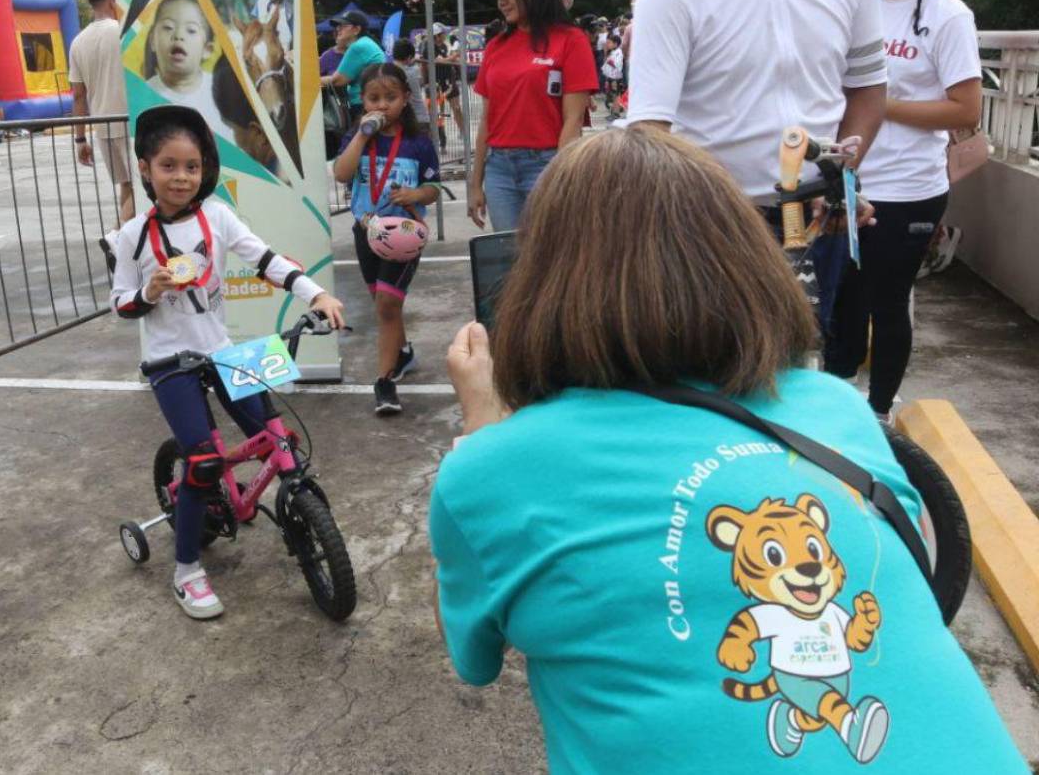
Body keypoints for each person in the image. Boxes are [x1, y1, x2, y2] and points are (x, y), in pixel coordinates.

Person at [430, 126, 1026, 774]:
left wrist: (485, 427)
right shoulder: (836, 409)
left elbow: (475, 660)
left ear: (538, 288)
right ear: (743, 263)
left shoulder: (488, 473)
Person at [111, 105, 345, 619]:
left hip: (223, 351)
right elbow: (121, 304)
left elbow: (265, 260)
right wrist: (147, 292)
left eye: (191, 166)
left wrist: (315, 295)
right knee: (203, 462)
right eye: (168, 165)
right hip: (169, 362)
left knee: (280, 437)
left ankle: (293, 507)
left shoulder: (216, 214)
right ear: (146, 167)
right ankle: (187, 570)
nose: (181, 177)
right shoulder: (132, 236)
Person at [625, 0, 887, 210]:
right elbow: (650, 131)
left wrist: (838, 179)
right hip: (718, 220)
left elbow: (868, 87)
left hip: (820, 211)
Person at [824, 0, 982, 424]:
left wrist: (881, 105)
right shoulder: (852, 3)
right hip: (847, 183)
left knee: (885, 302)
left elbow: (965, 108)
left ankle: (881, 410)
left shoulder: (946, 15)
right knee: (840, 299)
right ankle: (839, 401)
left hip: (910, 188)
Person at [332, 63, 440, 416]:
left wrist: (415, 195)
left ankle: (384, 381)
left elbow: (433, 188)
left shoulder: (418, 143)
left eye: (390, 98)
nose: (382, 105)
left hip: (404, 235)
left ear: (406, 99)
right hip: (366, 233)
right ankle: (403, 352)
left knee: (386, 307)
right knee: (384, 303)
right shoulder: (358, 139)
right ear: (362, 101)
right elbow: (341, 173)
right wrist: (363, 135)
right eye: (373, 98)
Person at [468, 0, 596, 232]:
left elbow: (573, 120)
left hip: (547, 164)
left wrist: (561, 177)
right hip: (498, 168)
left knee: (549, 258)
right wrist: (475, 183)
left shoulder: (571, 40)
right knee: (510, 262)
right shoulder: (495, 46)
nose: (502, 1)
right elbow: (486, 120)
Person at [69, 0, 136, 228]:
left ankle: (126, 252)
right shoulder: (121, 30)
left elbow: (78, 95)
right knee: (142, 188)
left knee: (127, 187)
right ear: (112, 1)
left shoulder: (77, 42)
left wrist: (80, 139)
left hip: (103, 125)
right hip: (129, 122)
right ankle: (118, 238)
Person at [143, 0, 229, 137]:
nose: (178, 36)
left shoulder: (222, 92)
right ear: (152, 40)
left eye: (191, 30)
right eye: (168, 27)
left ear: (208, 49)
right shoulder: (144, 93)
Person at [319, 10, 385, 120]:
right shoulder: (366, 42)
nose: (338, 29)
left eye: (343, 26)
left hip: (362, 106)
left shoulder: (358, 47)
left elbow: (337, 81)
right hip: (372, 102)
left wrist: (309, 82)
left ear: (356, 30)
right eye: (338, 26)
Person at [392, 39, 430, 131]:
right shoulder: (413, 71)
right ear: (409, 57)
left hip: (400, 120)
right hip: (419, 117)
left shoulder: (388, 72)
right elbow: (422, 81)